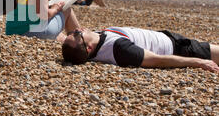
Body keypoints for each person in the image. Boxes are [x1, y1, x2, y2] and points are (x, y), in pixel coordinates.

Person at [61, 24, 219, 73]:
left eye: (73, 32)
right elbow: (157, 60)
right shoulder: (119, 49)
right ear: (88, 48)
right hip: (179, 48)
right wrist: (198, 62)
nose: (77, 30)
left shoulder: (93, 40)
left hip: (168, 38)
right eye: (76, 34)